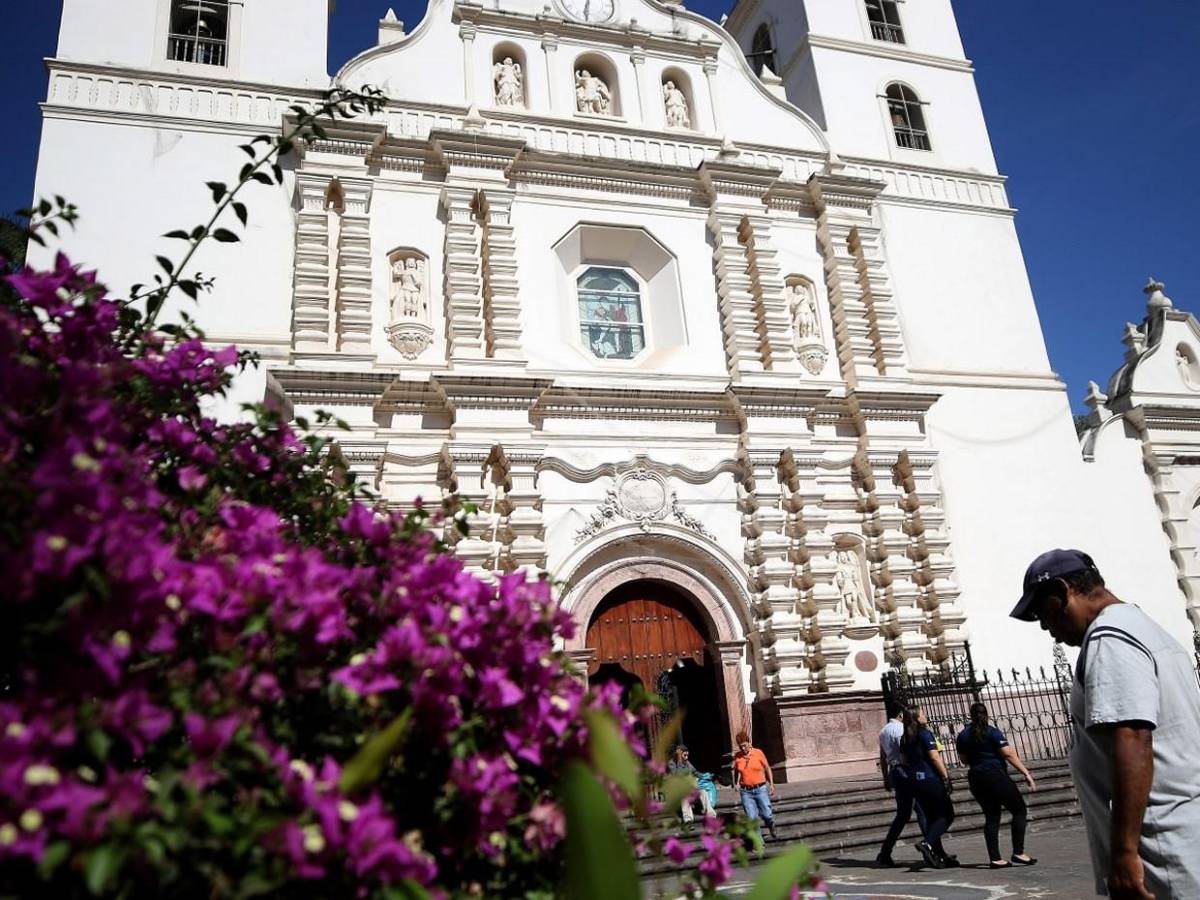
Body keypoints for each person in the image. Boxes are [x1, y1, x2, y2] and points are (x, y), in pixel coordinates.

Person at [1010, 549, 1200, 899]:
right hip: (1181, 832)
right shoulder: (1146, 628)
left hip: (1159, 848)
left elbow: (1134, 738)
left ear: (1063, 590)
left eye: (1042, 613)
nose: (1046, 628)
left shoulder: (1109, 638)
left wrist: (1125, 852)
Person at [955, 702, 1038, 869]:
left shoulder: (963, 735)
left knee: (992, 816)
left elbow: (963, 760)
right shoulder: (991, 732)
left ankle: (995, 858)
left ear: (971, 716)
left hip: (976, 778)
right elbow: (1008, 753)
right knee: (1019, 810)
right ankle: (1018, 852)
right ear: (986, 715)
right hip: (995, 775)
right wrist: (1026, 773)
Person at [899, 706, 956, 869]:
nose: (926, 716)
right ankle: (927, 843)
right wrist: (946, 776)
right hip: (931, 778)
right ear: (917, 718)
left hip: (915, 781)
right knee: (947, 814)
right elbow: (934, 756)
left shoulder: (905, 737)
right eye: (923, 713)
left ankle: (938, 854)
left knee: (932, 817)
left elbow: (903, 761)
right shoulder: (924, 733)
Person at [876, 700, 927, 866]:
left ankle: (885, 851)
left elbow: (883, 757)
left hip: (895, 771)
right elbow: (906, 753)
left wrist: (886, 777)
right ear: (900, 714)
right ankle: (930, 848)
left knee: (905, 814)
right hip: (906, 772)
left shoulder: (884, 731)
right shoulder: (900, 730)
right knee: (920, 810)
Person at [732, 730, 777, 840]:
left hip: (760, 788)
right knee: (751, 819)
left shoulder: (758, 753)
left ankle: (770, 824)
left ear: (749, 742)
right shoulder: (738, 756)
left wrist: (771, 784)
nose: (743, 748)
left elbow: (767, 768)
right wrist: (736, 783)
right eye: (740, 747)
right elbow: (737, 770)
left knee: (767, 814)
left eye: (744, 745)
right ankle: (760, 844)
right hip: (746, 792)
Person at [667, 744, 715, 825]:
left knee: (703, 792)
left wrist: (704, 776)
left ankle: (711, 815)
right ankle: (688, 819)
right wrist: (679, 760)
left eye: (687, 755)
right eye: (684, 755)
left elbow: (695, 772)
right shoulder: (671, 763)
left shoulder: (687, 762)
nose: (686, 757)